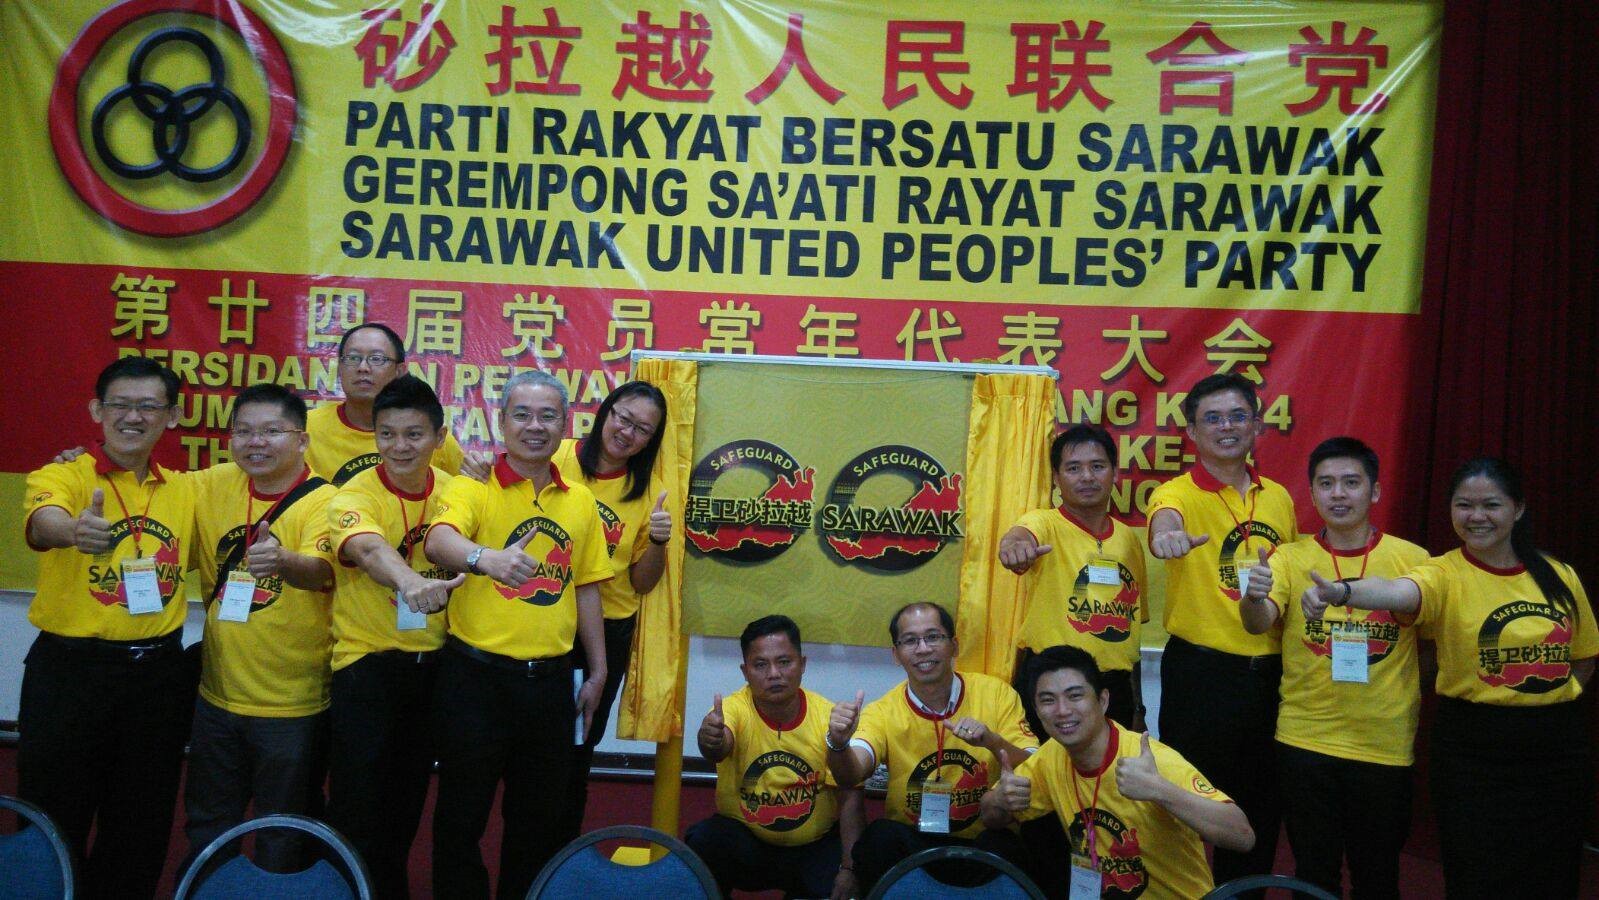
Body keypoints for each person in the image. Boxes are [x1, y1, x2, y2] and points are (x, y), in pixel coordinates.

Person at [1301, 457, 1598, 899]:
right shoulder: (1442, 572)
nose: (1477, 517)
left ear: (1517, 509)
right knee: (1476, 872)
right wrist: (1344, 592)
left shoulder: (1559, 575)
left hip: (1556, 749)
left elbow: (1584, 658)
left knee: (1552, 872)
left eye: (1491, 505)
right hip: (1473, 749)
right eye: (1464, 505)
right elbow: (1397, 591)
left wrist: (1549, 702)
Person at [423, 370, 612, 899]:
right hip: (474, 681)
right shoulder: (472, 485)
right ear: (501, 422)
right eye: (522, 415)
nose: (535, 426)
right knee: (460, 818)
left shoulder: (579, 501)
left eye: (548, 416)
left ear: (566, 424)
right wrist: (486, 559)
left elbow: (587, 587)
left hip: (550, 686)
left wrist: (597, 671)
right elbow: (439, 541)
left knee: (537, 823)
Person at [19, 357, 198, 899]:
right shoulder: (63, 474)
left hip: (157, 679)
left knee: (141, 823)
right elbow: (42, 522)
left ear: (172, 416)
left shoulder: (188, 489)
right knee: (53, 816)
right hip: (71, 674)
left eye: (148, 406)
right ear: (97, 410)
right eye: (120, 404)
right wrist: (74, 531)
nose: (133, 417)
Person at [1238, 437, 1428, 898]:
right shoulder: (1289, 557)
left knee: (1377, 873)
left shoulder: (1412, 559)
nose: (1338, 494)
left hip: (1383, 745)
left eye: (1350, 483)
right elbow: (1258, 623)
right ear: (1312, 493)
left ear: (1374, 491)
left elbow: (1434, 644)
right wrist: (1253, 596)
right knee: (1313, 872)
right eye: (1326, 484)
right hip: (1305, 739)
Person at [1146, 372, 1297, 885]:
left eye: (1237, 416)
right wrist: (1167, 538)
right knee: (1182, 803)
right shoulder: (1175, 494)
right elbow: (1164, 523)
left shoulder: (1279, 498)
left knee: (1258, 809)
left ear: (1257, 424)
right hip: (1201, 676)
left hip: (1270, 675)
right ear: (1192, 431)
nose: (1226, 427)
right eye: (1212, 418)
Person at [183, 383, 336, 870]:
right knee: (208, 824)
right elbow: (145, 486)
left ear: (302, 440)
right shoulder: (211, 483)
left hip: (292, 704)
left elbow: (322, 571)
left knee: (282, 831)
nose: (256, 442)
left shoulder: (328, 502)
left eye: (272, 431)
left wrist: (284, 561)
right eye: (244, 431)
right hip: (216, 697)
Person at [326, 374, 464, 899]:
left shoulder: (457, 492)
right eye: (387, 434)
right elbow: (366, 548)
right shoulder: (353, 494)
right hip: (366, 667)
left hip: (434, 669)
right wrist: (409, 581)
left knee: (407, 803)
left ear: (439, 437)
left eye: (413, 434)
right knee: (357, 804)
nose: (399, 446)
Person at [981, 645, 1254, 899]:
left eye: (1075, 696)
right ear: (1036, 710)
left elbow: (1243, 836)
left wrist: (1159, 790)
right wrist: (999, 800)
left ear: (1102, 700)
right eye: (1048, 700)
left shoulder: (1150, 760)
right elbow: (990, 816)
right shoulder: (1052, 756)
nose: (1062, 711)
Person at [826, 602, 1035, 892]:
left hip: (980, 843)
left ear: (954, 646)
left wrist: (992, 741)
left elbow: (1035, 766)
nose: (923, 649)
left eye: (933, 637)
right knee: (879, 838)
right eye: (910, 641)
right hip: (915, 845)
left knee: (1010, 845)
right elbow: (851, 773)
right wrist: (837, 744)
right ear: (896, 654)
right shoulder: (882, 711)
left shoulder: (997, 694)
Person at [552, 380, 672, 843]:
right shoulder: (559, 457)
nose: (627, 432)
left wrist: (658, 540)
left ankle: (561, 854)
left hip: (604, 632)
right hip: (541, 620)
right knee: (535, 748)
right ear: (606, 411)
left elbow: (642, 582)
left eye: (642, 429)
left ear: (651, 440)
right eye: (623, 417)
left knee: (576, 751)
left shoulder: (650, 492)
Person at [685, 615, 864, 899]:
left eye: (784, 662)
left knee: (856, 877)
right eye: (760, 665)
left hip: (813, 850)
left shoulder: (826, 718)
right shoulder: (733, 709)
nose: (773, 674)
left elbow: (850, 794)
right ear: (745, 671)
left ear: (802, 664)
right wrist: (711, 738)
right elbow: (717, 747)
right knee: (705, 839)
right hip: (749, 847)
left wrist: (849, 868)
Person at [1000, 424, 1147, 729]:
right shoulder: (1044, 523)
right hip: (1051, 683)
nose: (1087, 477)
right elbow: (1019, 535)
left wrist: (1138, 707)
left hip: (1115, 688)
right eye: (1073, 468)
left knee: (1113, 762)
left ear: (1115, 473)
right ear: (1056, 477)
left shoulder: (1129, 540)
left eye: (1098, 466)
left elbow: (1131, 637)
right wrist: (1015, 547)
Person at [306, 323, 464, 485]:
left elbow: (467, 490)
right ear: (339, 368)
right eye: (353, 358)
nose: (363, 367)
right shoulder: (307, 428)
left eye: (376, 359)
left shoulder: (430, 434)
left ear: (400, 371)